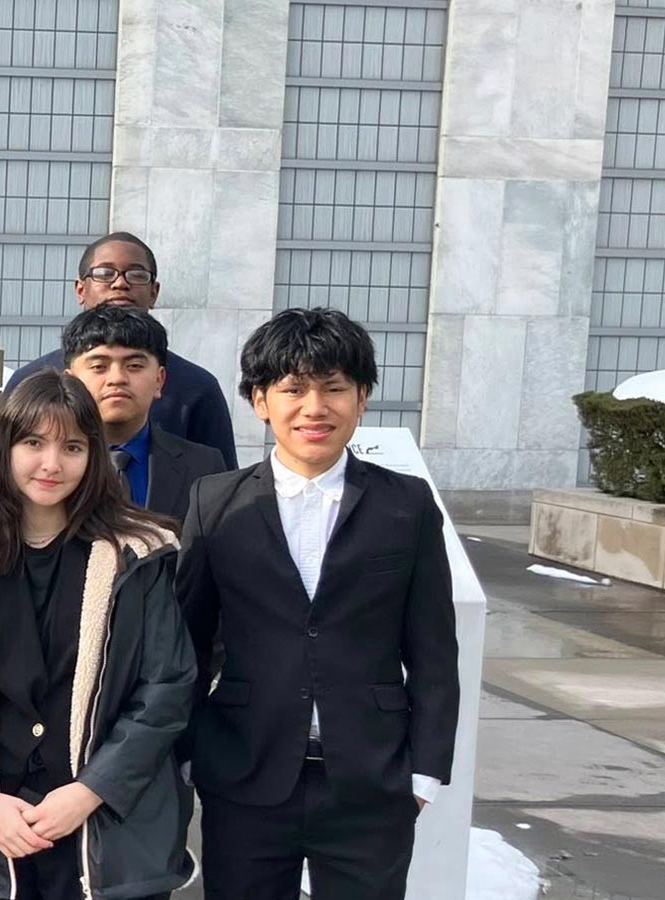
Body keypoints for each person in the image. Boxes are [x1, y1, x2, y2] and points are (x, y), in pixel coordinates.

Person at [177, 308, 458, 900]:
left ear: (362, 399)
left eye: (334, 388)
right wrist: (187, 753)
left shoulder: (406, 505)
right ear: (259, 400)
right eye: (293, 389)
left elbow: (434, 649)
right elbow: (189, 642)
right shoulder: (215, 501)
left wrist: (425, 773)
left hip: (371, 778)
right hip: (244, 772)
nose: (314, 407)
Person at [0, 369, 196, 900]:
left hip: (106, 828)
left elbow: (167, 690)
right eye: (33, 443)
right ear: (5, 448)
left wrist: (89, 791)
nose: (51, 464)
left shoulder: (136, 555)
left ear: (94, 457)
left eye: (73, 447)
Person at [3, 232, 239, 469]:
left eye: (136, 275)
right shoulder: (29, 380)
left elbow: (221, 488)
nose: (120, 283)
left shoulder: (198, 387)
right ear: (80, 289)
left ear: (154, 292)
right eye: (104, 273)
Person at [60, 306, 228, 521]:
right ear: (70, 381)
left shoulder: (204, 466)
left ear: (159, 380)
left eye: (134, 365)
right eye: (99, 366)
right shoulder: (46, 464)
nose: (117, 378)